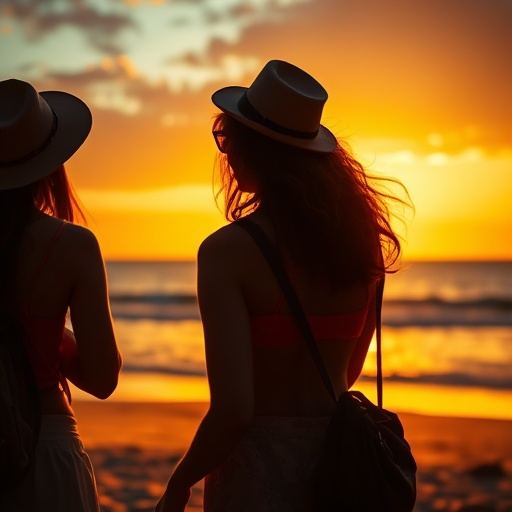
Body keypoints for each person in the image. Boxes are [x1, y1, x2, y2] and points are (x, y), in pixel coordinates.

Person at [156, 60, 408, 512]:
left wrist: (180, 481)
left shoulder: (227, 252)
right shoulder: (364, 241)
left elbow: (234, 410)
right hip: (342, 464)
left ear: (258, 150)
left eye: (228, 140)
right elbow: (346, 372)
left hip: (257, 469)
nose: (226, 155)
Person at [0, 79, 122, 511]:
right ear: (52, 163)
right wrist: (51, 334)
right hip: (45, 442)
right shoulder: (71, 245)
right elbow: (103, 378)